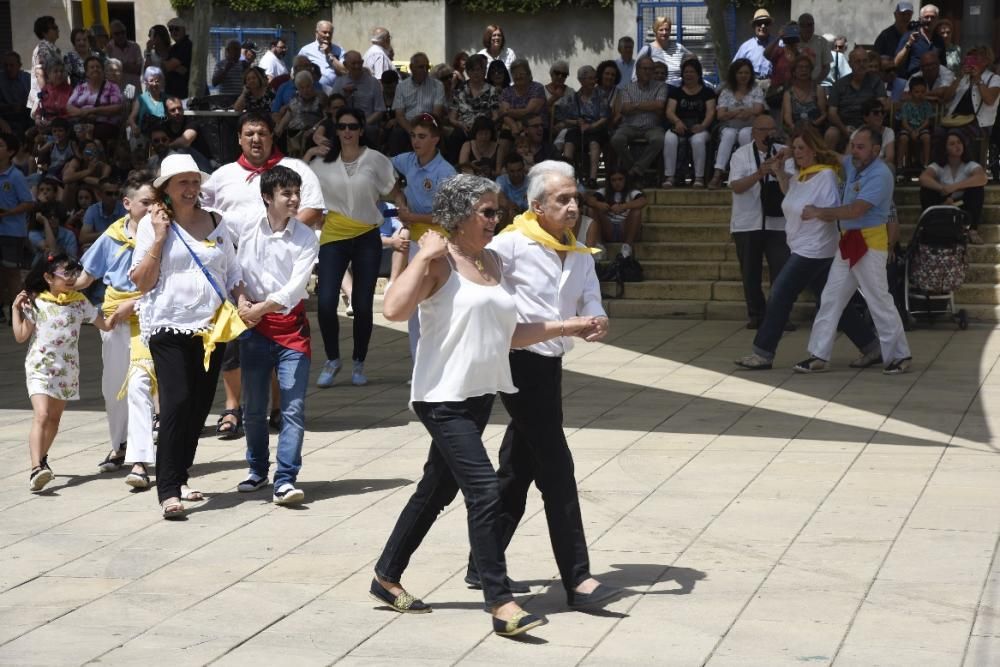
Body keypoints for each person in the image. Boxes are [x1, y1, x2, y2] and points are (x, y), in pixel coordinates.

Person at [372, 173, 594, 635]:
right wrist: (420, 255)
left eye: (498, 210)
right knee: (486, 491)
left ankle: (385, 576)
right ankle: (500, 601)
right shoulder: (439, 262)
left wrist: (564, 327)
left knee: (437, 488)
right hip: (441, 398)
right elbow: (392, 310)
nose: (498, 219)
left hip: (479, 396)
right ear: (459, 216)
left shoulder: (492, 261)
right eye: (488, 212)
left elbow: (509, 335)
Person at [459, 160, 621, 612]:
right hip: (517, 360)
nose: (572, 207)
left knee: (518, 467)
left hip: (550, 363)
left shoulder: (576, 246)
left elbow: (588, 291)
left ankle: (481, 561)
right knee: (557, 469)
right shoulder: (510, 244)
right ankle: (578, 578)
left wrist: (597, 315)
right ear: (536, 206)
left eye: (575, 198)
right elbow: (477, 278)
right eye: (561, 200)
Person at [130, 153, 248, 518]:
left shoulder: (215, 221)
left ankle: (180, 477)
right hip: (167, 325)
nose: (191, 189)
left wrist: (242, 300)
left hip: (212, 329)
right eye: (183, 182)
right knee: (177, 401)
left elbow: (232, 271)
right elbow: (141, 280)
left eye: (195, 182)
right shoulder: (153, 225)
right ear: (166, 188)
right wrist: (160, 237)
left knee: (198, 407)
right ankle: (167, 490)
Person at [201, 111, 324, 437]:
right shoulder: (223, 175)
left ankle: (278, 408)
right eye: (250, 133)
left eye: (263, 133)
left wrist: (279, 231)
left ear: (273, 137)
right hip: (232, 271)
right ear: (240, 138)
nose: (256, 139)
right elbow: (201, 212)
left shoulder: (296, 170)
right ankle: (231, 409)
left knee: (277, 342)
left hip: (280, 267)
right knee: (233, 346)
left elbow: (313, 208)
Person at [736, 125, 880, 371]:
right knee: (834, 303)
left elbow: (829, 211)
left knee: (780, 294)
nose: (797, 152)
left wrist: (816, 212)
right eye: (795, 148)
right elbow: (791, 196)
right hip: (803, 247)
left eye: (802, 148)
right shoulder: (802, 176)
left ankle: (763, 353)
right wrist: (781, 172)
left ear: (814, 150)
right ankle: (871, 346)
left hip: (815, 250)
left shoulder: (825, 175)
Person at [232, 165, 318, 503]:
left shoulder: (305, 237)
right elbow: (234, 269)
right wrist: (240, 299)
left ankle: (285, 478)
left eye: (296, 192)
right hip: (253, 329)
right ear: (267, 197)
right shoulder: (247, 228)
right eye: (287, 193)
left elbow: (295, 288)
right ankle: (257, 470)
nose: (295, 199)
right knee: (253, 407)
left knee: (293, 407)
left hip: (290, 329)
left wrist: (258, 309)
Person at [797, 126, 911, 375]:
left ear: (876, 149)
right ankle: (818, 355)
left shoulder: (880, 174)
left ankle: (900, 355)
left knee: (878, 300)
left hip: (870, 243)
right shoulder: (854, 164)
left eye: (860, 147)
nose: (854, 151)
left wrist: (819, 212)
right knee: (831, 297)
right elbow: (835, 157)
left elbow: (855, 210)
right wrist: (811, 144)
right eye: (853, 146)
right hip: (849, 241)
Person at [74, 170, 159, 487]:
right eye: (145, 202)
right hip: (112, 319)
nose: (151, 208)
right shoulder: (111, 236)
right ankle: (119, 446)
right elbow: (86, 277)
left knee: (141, 387)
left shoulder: (162, 235)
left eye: (155, 202)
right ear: (128, 203)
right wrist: (58, 290)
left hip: (148, 316)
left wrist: (136, 303)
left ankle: (141, 456)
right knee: (113, 389)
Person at [308, 108, 399, 388]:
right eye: (343, 126)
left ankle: (359, 361)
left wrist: (407, 210)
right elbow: (299, 186)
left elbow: (394, 190)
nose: (347, 131)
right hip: (334, 235)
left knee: (362, 304)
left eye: (353, 126)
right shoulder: (322, 163)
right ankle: (333, 359)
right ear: (336, 131)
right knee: (325, 303)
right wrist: (309, 154)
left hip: (367, 236)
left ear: (361, 129)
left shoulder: (375, 159)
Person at [13, 252, 110, 492]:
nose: (71, 278)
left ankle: (42, 460)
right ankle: (36, 468)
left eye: (74, 273)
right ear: (48, 277)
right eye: (65, 273)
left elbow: (106, 324)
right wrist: (16, 310)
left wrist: (128, 306)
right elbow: (21, 336)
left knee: (54, 420)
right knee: (42, 415)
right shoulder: (37, 302)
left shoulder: (80, 302)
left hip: (67, 369)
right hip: (39, 367)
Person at [391, 114, 456, 358]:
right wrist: (398, 195)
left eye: (422, 136)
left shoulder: (445, 171)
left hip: (440, 241)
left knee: (438, 302)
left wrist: (412, 216)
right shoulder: (407, 160)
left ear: (435, 140)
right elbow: (380, 168)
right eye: (413, 135)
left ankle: (443, 358)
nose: (416, 141)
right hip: (416, 240)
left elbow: (449, 216)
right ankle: (419, 361)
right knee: (415, 303)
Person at [726, 115, 789, 330]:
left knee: (781, 273)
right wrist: (760, 173)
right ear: (753, 132)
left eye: (772, 129)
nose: (768, 134)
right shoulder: (741, 155)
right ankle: (756, 315)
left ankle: (779, 316)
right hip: (747, 222)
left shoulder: (784, 152)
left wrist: (779, 170)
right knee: (750, 273)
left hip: (778, 223)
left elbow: (796, 183)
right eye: (763, 129)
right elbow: (736, 186)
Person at [919, 131, 989, 243]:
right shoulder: (938, 165)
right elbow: (923, 178)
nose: (957, 146)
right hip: (943, 202)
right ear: (945, 148)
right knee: (926, 189)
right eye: (952, 144)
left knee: (977, 189)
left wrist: (954, 187)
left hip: (962, 204)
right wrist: (942, 189)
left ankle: (973, 230)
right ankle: (929, 225)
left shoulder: (970, 165)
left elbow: (982, 178)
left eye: (959, 142)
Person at [611, 56, 667, 184]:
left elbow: (659, 105)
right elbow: (624, 109)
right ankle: (635, 169)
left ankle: (634, 171)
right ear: (637, 70)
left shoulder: (661, 86)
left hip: (652, 126)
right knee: (616, 139)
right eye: (645, 68)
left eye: (651, 69)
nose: (648, 71)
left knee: (659, 139)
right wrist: (650, 105)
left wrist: (635, 105)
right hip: (630, 125)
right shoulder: (627, 88)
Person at [662, 58, 716, 188]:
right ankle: (670, 176)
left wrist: (703, 126)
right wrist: (677, 122)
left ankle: (699, 177)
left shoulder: (707, 92)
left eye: (692, 72)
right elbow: (669, 111)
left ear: (698, 74)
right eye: (686, 72)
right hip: (679, 126)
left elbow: (711, 112)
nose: (688, 74)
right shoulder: (676, 92)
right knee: (669, 139)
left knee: (697, 141)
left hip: (700, 128)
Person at [711, 58, 765, 189]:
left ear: (751, 74)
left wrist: (733, 112)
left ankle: (748, 171)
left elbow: (758, 110)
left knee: (745, 134)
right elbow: (720, 115)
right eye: (740, 73)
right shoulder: (726, 92)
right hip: (728, 126)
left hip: (750, 127)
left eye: (746, 73)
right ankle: (718, 173)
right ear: (734, 74)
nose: (743, 76)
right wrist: (741, 111)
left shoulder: (756, 90)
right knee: (729, 134)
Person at [826, 47, 888, 150]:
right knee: (831, 133)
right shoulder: (840, 84)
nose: (862, 64)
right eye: (858, 61)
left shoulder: (876, 82)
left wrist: (866, 127)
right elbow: (832, 113)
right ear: (850, 64)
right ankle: (828, 164)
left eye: (865, 61)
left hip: (869, 125)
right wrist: (844, 129)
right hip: (843, 126)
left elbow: (881, 106)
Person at [387, 53, 445, 155]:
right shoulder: (401, 87)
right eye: (421, 67)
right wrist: (412, 132)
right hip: (408, 125)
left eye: (427, 67)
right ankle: (396, 167)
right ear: (411, 68)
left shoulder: (437, 86)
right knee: (397, 134)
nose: (424, 70)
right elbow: (399, 115)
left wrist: (423, 130)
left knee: (437, 134)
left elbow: (437, 113)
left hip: (429, 124)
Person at [562, 65, 610, 187]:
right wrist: (577, 122)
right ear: (581, 80)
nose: (593, 81)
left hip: (596, 129)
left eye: (594, 78)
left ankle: (592, 178)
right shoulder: (573, 97)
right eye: (590, 78)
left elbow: (605, 117)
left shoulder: (601, 95)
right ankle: (566, 177)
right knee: (569, 142)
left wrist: (591, 126)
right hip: (578, 129)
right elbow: (566, 119)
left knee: (594, 142)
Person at [330, 50, 385, 145]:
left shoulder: (373, 83)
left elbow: (380, 110)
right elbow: (332, 106)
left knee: (368, 131)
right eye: (353, 63)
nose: (357, 66)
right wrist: (345, 96)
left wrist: (363, 123)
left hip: (367, 123)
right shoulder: (339, 83)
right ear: (345, 65)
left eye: (359, 63)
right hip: (344, 123)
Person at [66, 55, 124, 145]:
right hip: (82, 122)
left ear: (103, 70)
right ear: (86, 72)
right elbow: (69, 107)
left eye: (98, 67)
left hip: (105, 124)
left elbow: (117, 107)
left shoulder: (112, 86)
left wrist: (94, 110)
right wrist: (84, 113)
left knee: (97, 133)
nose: (95, 69)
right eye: (92, 67)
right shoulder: (80, 87)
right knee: (67, 131)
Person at [589, 168, 645, 257]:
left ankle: (627, 246)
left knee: (636, 211)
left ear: (625, 179)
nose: (617, 183)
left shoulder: (632, 192)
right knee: (593, 209)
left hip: (625, 228)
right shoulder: (603, 191)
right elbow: (590, 200)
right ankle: (599, 246)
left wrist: (624, 206)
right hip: (608, 229)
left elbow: (642, 201)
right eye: (614, 180)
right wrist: (598, 204)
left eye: (620, 179)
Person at [634, 16, 690, 87]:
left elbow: (693, 59)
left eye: (667, 29)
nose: (664, 32)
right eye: (661, 30)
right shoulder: (647, 50)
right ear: (655, 31)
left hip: (676, 93)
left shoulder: (679, 48)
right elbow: (635, 76)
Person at [894, 3, 943, 78]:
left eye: (933, 17)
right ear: (920, 19)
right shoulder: (910, 36)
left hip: (933, 84)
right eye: (926, 17)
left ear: (937, 20)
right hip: (912, 83)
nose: (929, 20)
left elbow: (943, 65)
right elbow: (896, 62)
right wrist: (909, 43)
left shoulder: (939, 40)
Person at [783, 53, 828, 133]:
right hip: (795, 130)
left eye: (807, 67)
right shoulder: (788, 93)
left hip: (816, 129)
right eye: (800, 67)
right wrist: (794, 128)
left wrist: (813, 125)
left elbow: (824, 114)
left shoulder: (818, 89)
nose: (804, 70)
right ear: (794, 72)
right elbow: (787, 117)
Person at [898, 77, 935, 172]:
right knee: (903, 138)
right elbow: (904, 122)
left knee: (926, 137)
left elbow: (927, 121)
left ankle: (926, 164)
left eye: (923, 92)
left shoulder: (927, 105)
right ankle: (900, 165)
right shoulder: (906, 105)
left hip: (921, 128)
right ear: (910, 93)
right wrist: (911, 131)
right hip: (908, 128)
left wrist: (918, 130)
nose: (920, 94)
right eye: (917, 92)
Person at [297, 20, 345, 93]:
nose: (327, 35)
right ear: (316, 33)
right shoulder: (306, 50)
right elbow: (296, 71)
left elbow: (344, 71)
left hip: (337, 93)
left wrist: (329, 54)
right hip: (315, 93)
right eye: (324, 32)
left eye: (330, 33)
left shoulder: (339, 50)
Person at [80, 177, 127, 244]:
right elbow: (83, 238)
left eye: (116, 193)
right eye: (109, 194)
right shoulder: (93, 210)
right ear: (99, 194)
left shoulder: (124, 208)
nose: (113, 197)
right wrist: (109, 232)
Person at [29, 16, 61, 112]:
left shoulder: (52, 48)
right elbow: (40, 74)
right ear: (44, 33)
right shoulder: (43, 49)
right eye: (54, 28)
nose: (57, 29)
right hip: (46, 102)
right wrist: (48, 98)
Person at [31, 59, 72, 133]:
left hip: (63, 126)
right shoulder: (45, 89)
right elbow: (40, 108)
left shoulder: (70, 90)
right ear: (48, 74)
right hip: (46, 124)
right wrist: (38, 118)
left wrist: (53, 122)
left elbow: (71, 113)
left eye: (61, 71)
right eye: (56, 71)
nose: (59, 74)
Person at [733, 9, 775, 80]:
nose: (763, 26)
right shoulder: (745, 47)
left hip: (773, 86)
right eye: (759, 23)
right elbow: (733, 69)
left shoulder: (778, 44)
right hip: (751, 86)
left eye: (766, 23)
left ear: (770, 25)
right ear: (754, 26)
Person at [128, 66, 166, 139]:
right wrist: (134, 126)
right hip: (144, 137)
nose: (154, 84)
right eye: (151, 81)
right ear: (146, 82)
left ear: (161, 82)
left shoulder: (166, 98)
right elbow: (131, 118)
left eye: (157, 81)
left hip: (162, 138)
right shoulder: (141, 98)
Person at [106, 20, 143, 92]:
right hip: (117, 92)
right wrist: (130, 66)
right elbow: (109, 73)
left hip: (135, 90)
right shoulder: (108, 49)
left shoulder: (135, 46)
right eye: (117, 33)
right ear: (112, 35)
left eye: (123, 32)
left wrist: (119, 66)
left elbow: (138, 70)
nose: (121, 35)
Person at [796, 14, 831, 84]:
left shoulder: (822, 42)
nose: (807, 28)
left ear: (813, 26)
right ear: (798, 26)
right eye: (803, 25)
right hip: (795, 84)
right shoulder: (793, 42)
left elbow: (826, 67)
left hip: (815, 84)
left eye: (810, 25)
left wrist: (815, 82)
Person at [163, 18, 192, 100]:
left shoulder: (186, 45)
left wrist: (170, 66)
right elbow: (165, 67)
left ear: (184, 30)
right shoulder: (174, 48)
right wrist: (176, 68)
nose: (173, 32)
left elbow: (168, 67)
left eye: (176, 29)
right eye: (171, 29)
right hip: (172, 93)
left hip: (183, 95)